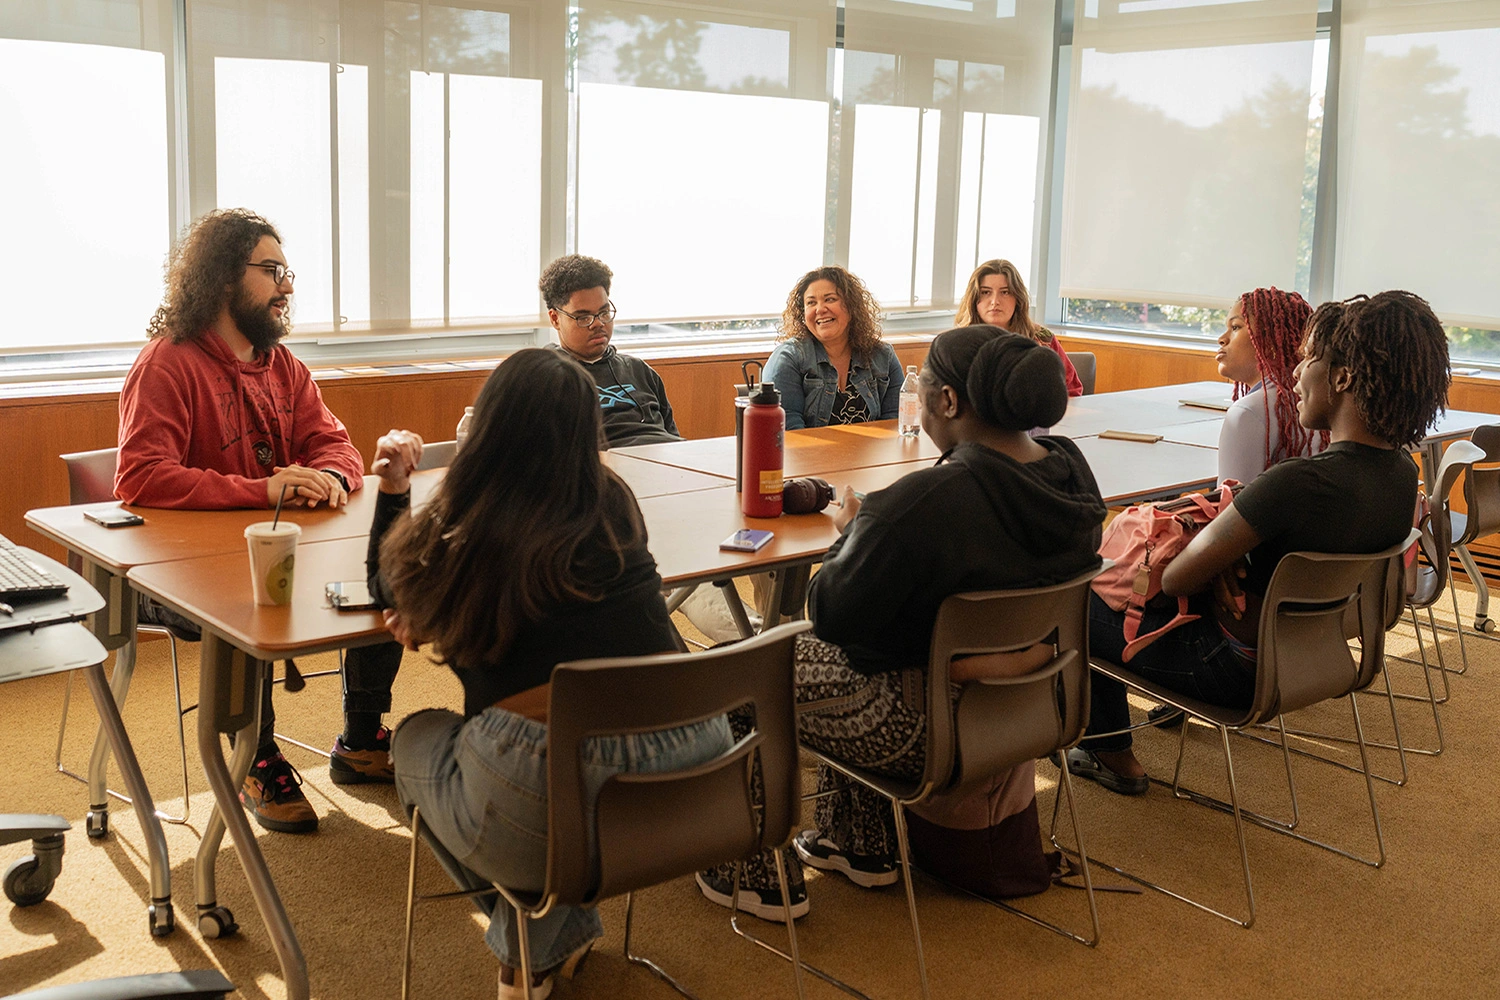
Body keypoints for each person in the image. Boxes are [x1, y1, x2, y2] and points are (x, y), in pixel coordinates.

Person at [697, 326, 1106, 917]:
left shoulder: (922, 502)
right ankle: (858, 843)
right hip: (1032, 712)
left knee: (736, 673)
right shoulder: (1071, 476)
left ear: (947, 402)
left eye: (927, 384)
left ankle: (757, 876)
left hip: (919, 727)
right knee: (872, 643)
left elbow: (830, 613)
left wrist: (862, 534)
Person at [368, 349, 732, 998]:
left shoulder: (467, 522)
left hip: (550, 790)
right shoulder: (612, 499)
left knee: (416, 735)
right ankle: (543, 943)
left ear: (489, 424)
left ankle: (530, 949)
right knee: (549, 743)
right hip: (690, 775)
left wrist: (394, 495)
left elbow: (387, 591)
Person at [1067, 290, 1452, 795]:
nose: (1295, 373)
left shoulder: (1296, 483)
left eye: (1309, 358)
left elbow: (1180, 576)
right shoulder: (1402, 475)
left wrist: (1218, 553)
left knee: (1076, 590)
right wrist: (1231, 553)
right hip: (1312, 658)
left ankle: (1108, 749)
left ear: (1342, 378)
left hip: (1228, 670)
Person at [115, 208, 405, 834]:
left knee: (386, 566)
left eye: (287, 271)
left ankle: (360, 738)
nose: (288, 285)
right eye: (271, 270)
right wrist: (261, 488)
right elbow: (139, 477)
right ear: (223, 278)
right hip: (177, 574)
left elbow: (338, 446)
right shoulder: (167, 363)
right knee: (248, 595)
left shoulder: (283, 365)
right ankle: (257, 756)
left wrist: (329, 477)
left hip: (273, 546)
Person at [540, 254, 681, 448]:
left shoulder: (639, 370)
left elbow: (676, 442)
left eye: (604, 313)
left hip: (665, 459)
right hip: (602, 468)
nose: (598, 323)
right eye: (584, 317)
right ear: (555, 319)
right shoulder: (545, 379)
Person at [763, 266, 903, 429]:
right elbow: (788, 431)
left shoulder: (882, 355)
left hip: (874, 453)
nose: (820, 309)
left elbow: (895, 422)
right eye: (811, 303)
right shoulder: (789, 358)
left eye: (830, 299)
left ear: (852, 307)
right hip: (808, 454)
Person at [1215, 287, 1328, 485]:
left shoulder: (1247, 413)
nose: (1222, 339)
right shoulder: (1315, 398)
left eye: (1235, 327)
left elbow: (1228, 506)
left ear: (1270, 342)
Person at [956, 259, 1084, 398]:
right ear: (974, 299)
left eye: (1005, 292)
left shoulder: (1042, 338)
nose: (995, 301)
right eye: (986, 292)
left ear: (1017, 299)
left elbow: (1072, 390)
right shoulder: (958, 343)